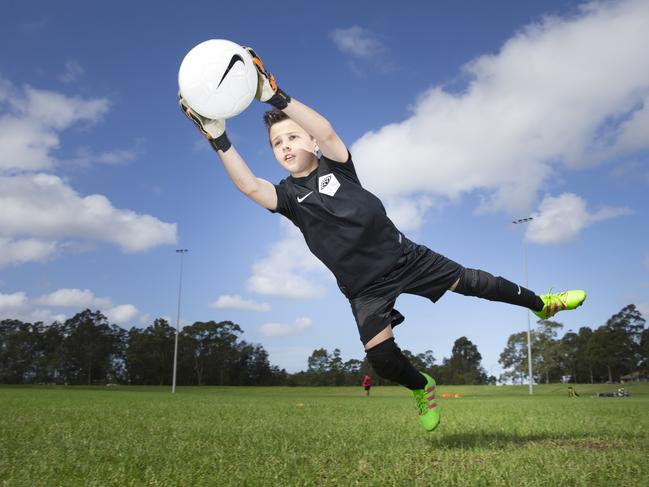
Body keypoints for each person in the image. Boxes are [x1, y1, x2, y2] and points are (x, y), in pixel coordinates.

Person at [179, 47, 587, 432]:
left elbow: (326, 129)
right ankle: (421, 387)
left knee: (477, 283)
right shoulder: (288, 197)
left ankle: (542, 304)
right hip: (364, 288)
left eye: (292, 137)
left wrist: (275, 96)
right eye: (277, 143)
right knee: (382, 359)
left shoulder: (339, 167)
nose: (285, 145)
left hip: (405, 258)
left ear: (313, 144)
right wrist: (219, 138)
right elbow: (249, 186)